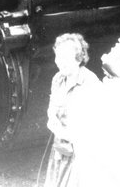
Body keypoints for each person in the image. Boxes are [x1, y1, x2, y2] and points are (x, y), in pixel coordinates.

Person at [44, 33, 101, 187]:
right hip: (60, 150)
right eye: (57, 57)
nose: (58, 62)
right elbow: (52, 109)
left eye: (64, 58)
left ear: (78, 58)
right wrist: (53, 122)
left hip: (82, 155)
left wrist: (68, 134)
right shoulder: (57, 79)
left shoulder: (90, 82)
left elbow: (96, 125)